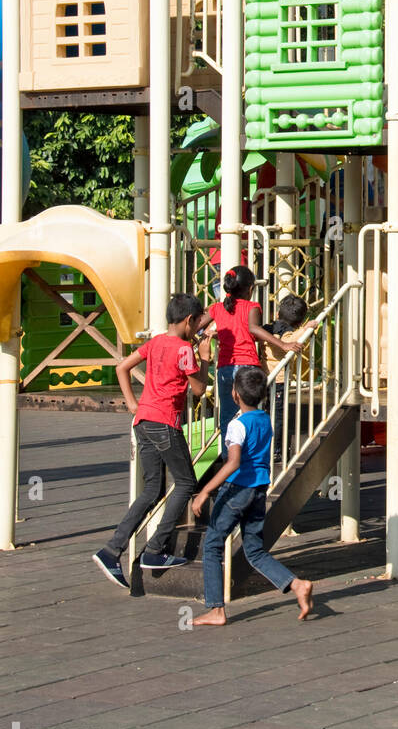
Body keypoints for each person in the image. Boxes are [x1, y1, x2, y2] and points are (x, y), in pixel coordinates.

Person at [92, 293, 211, 589]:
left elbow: (122, 367)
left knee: (152, 490)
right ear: (188, 320)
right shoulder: (185, 350)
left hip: (143, 420)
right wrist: (205, 358)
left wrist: (133, 403)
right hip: (164, 423)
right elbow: (198, 390)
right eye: (197, 323)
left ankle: (111, 551)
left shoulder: (156, 341)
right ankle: (155, 550)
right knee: (186, 484)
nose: (198, 329)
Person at [191, 366, 313, 625]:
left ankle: (216, 609)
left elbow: (233, 462)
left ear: (235, 394)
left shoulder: (237, 425)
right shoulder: (264, 419)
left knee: (212, 545)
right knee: (254, 550)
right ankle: (296, 585)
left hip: (237, 489)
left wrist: (205, 491)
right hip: (259, 489)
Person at [205, 266, 300, 456]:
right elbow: (254, 329)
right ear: (250, 289)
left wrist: (211, 335)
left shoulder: (216, 308)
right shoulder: (252, 307)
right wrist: (282, 344)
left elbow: (199, 324)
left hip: (225, 367)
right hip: (247, 366)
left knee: (228, 417)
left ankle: (229, 460)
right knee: (250, 415)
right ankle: (251, 457)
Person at [265, 293, 310, 461]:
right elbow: (290, 340)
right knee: (277, 416)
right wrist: (307, 328)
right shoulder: (287, 333)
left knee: (268, 413)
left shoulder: (268, 329)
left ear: (277, 314)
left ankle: (270, 447)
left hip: (265, 376)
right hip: (279, 379)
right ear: (299, 322)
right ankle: (276, 449)